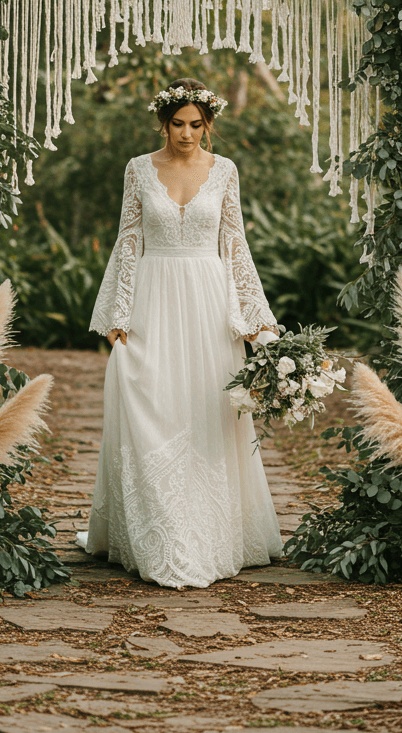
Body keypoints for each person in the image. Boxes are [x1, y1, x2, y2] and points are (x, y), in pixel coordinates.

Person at [79, 78, 283, 588]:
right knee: (156, 406)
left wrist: (256, 318)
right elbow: (129, 240)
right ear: (163, 123)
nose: (186, 134)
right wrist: (117, 316)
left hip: (210, 305)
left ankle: (209, 532)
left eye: (196, 124)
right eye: (177, 124)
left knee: (207, 411)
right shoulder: (138, 169)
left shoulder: (226, 171)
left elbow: (234, 243)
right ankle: (158, 532)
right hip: (153, 299)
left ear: (208, 125)